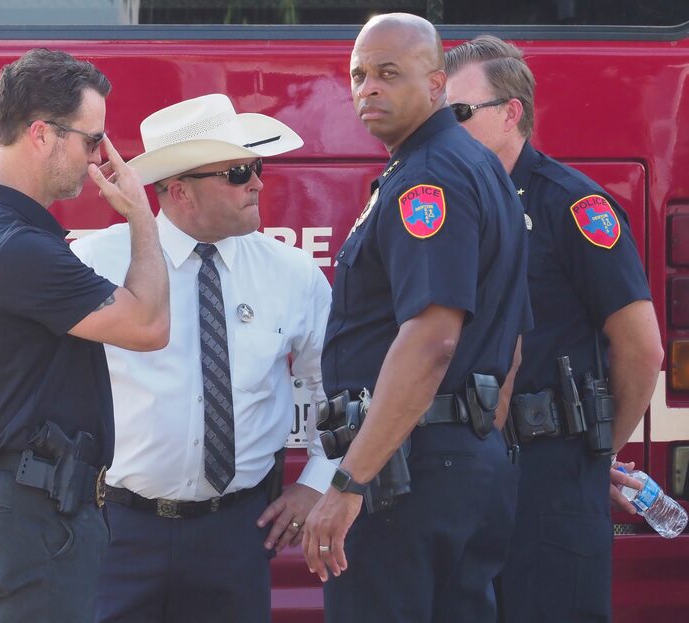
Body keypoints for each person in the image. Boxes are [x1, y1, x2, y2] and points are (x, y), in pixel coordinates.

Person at [70, 93, 335, 623]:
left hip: (237, 533)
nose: (258, 183)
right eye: (238, 172)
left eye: (255, 167)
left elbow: (338, 390)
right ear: (178, 191)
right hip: (117, 530)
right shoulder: (95, 261)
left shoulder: (294, 274)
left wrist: (317, 484)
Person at [302, 13, 532, 623]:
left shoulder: (426, 178)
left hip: (406, 474)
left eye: (387, 73)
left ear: (435, 85)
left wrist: (350, 482)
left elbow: (431, 339)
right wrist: (474, 438)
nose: (367, 88)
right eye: (358, 75)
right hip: (456, 462)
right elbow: (509, 345)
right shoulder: (477, 167)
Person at [0, 48, 170, 623]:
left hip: (33, 503)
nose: (101, 159)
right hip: (32, 508)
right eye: (92, 141)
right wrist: (141, 216)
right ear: (41, 134)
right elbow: (149, 325)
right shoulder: (16, 247)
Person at [445, 35, 663, 622]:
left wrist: (596, 453)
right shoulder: (454, 202)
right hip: (468, 471)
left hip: (552, 473)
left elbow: (642, 348)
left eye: (459, 113)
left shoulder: (573, 206)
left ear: (511, 113)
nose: (444, 127)